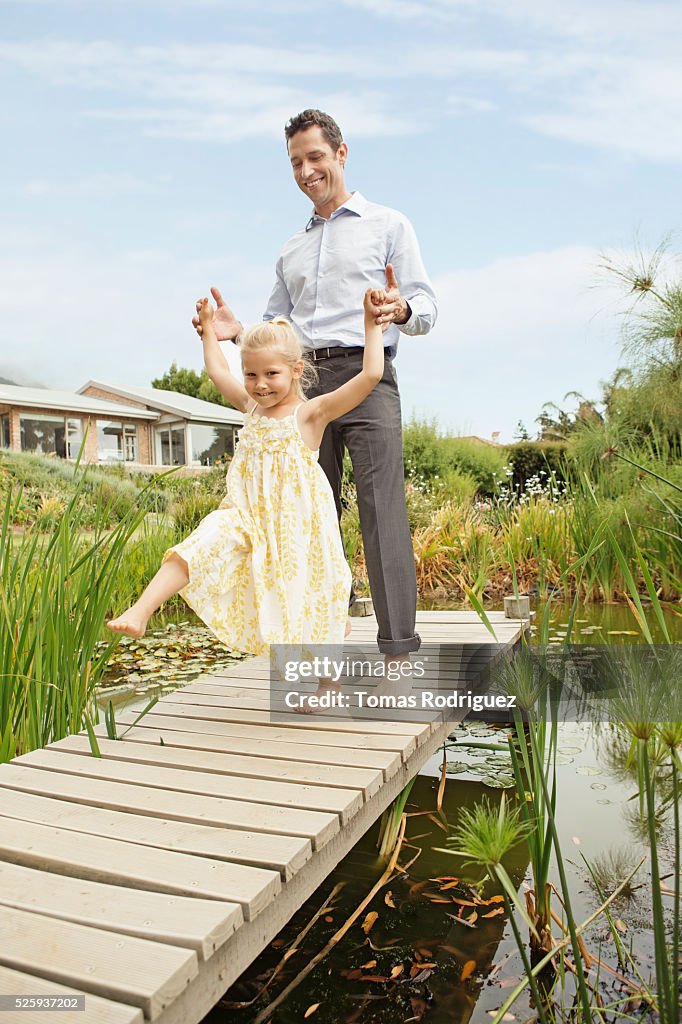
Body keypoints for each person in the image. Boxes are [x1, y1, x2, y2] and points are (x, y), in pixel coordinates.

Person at [194, 109, 437, 658]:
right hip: (301, 391)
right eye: (296, 162)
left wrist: (399, 309)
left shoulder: (389, 225)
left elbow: (426, 306)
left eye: (315, 157)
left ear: (341, 154)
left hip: (367, 375)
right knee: (301, 517)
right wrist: (236, 335)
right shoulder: (291, 250)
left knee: (382, 510)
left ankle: (398, 647)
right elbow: (274, 332)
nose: (306, 171)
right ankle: (312, 645)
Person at [106, 288, 385, 656]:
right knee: (197, 546)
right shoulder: (250, 408)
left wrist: (371, 323)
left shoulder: (310, 415)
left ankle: (326, 683)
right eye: (251, 374)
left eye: (271, 373)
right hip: (244, 517)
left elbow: (370, 375)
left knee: (309, 606)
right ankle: (141, 610)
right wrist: (208, 329)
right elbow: (217, 369)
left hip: (296, 532)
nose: (260, 384)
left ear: (296, 370)